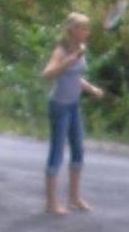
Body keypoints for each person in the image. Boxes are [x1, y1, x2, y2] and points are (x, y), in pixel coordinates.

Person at [41, 12, 106, 214]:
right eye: (83, 28)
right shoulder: (61, 51)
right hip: (59, 106)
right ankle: (51, 201)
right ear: (72, 30)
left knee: (78, 150)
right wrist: (70, 59)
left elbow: (75, 77)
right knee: (57, 151)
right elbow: (47, 74)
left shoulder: (81, 50)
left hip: (73, 105)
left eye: (87, 28)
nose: (87, 32)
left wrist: (92, 89)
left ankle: (74, 197)